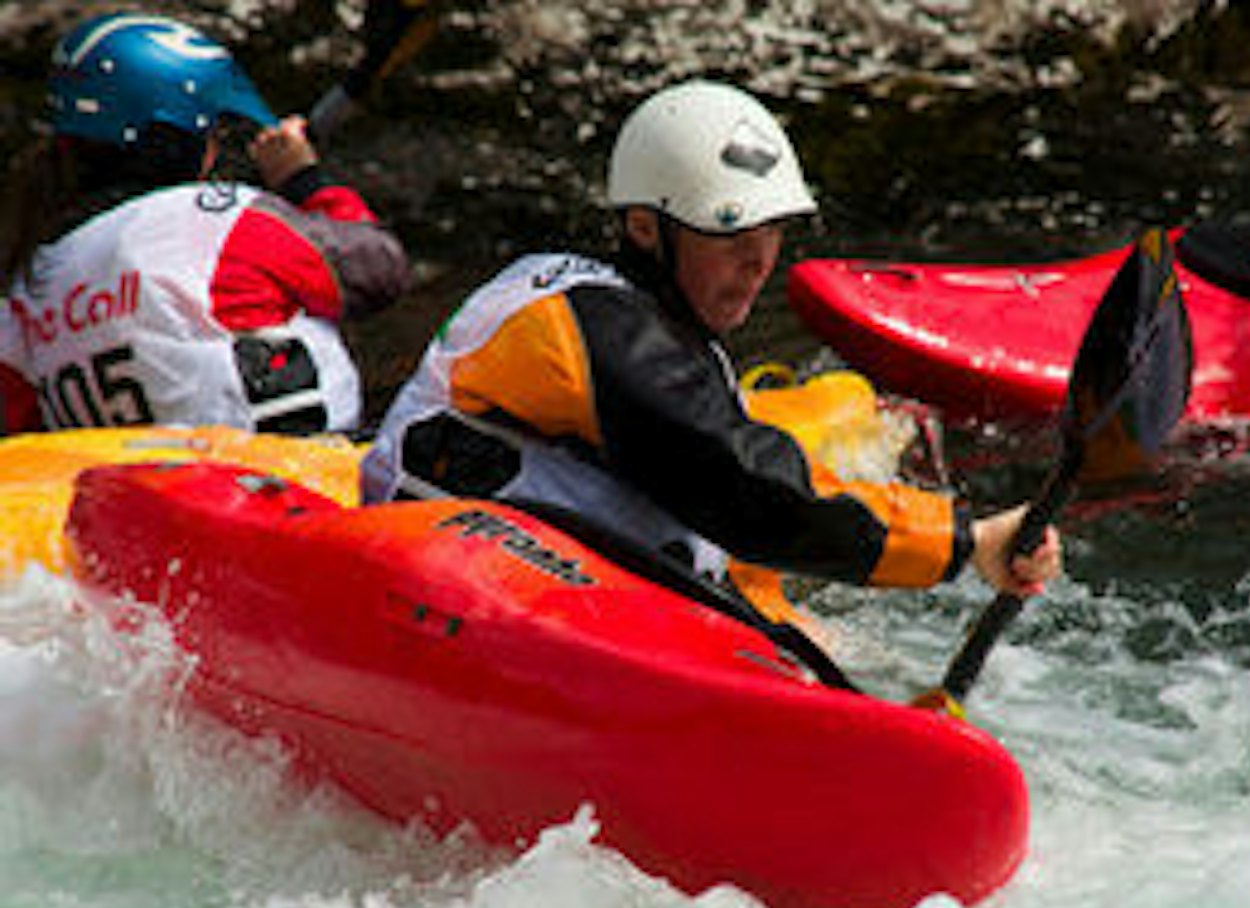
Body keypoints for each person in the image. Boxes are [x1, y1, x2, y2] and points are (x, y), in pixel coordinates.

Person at [361, 79, 1059, 611]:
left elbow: (717, 510)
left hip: (545, 593)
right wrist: (963, 541)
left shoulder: (665, 332)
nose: (760, 262)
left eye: (772, 231)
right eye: (731, 237)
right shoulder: (589, 326)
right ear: (644, 228)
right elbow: (738, 485)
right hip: (434, 582)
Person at [0, 11, 411, 436]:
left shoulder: (26, 289)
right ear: (173, 139)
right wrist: (303, 180)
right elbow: (379, 268)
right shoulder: (222, 220)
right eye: (211, 133)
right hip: (289, 468)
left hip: (127, 478)